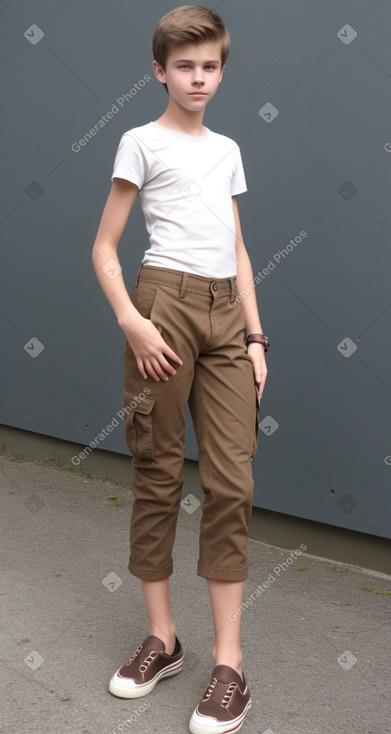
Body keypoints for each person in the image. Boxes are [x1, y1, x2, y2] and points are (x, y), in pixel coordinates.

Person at [92, 5, 269, 733]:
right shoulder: (139, 142)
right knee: (159, 472)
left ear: (220, 71)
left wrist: (257, 337)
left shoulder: (225, 149)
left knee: (232, 480)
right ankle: (162, 641)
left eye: (210, 67)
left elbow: (235, 249)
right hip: (159, 306)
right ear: (159, 71)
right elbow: (104, 247)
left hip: (228, 316)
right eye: (185, 66)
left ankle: (229, 664)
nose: (198, 78)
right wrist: (133, 322)